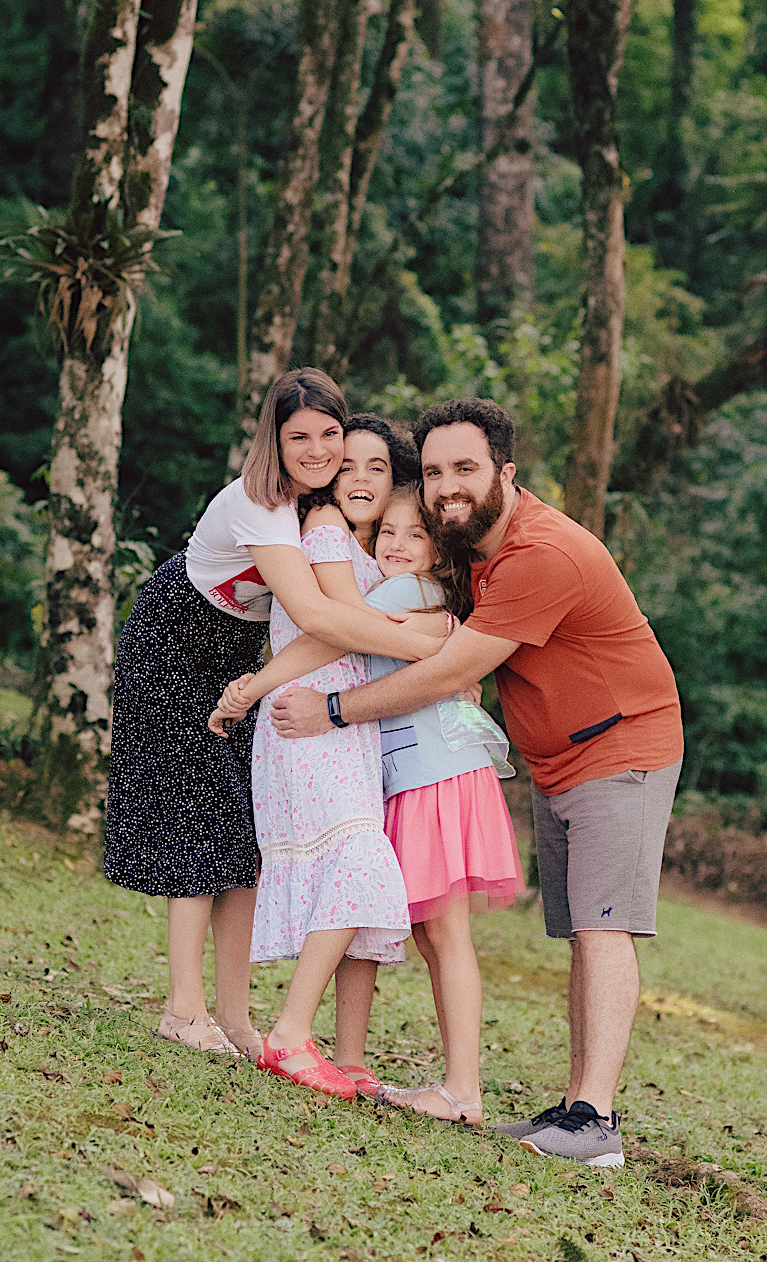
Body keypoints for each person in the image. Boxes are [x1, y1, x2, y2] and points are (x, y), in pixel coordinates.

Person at [270, 397, 684, 1167]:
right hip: (558, 759)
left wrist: (333, 708)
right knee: (576, 931)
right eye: (432, 472)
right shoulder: (468, 552)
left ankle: (595, 1124)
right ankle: (573, 1108)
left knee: (603, 926)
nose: (445, 485)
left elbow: (451, 669)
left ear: (505, 472)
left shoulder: (541, 552)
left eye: (464, 468)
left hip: (622, 747)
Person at [104, 370, 447, 1063]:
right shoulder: (262, 505)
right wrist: (432, 648)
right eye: (300, 437)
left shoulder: (320, 508)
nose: (317, 449)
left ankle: (233, 1017)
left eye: (330, 435)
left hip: (233, 650)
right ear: (275, 439)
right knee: (197, 821)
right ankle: (183, 1007)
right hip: (175, 638)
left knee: (241, 840)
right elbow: (321, 615)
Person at [217, 481, 522, 1125]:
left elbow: (331, 635)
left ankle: (463, 1089)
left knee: (443, 929)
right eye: (389, 533)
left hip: (434, 770)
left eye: (416, 535)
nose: (398, 544)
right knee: (405, 921)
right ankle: (362, 1061)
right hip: (410, 769)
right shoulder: (419, 598)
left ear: (440, 551)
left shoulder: (405, 593)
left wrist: (254, 686)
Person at [209, 417, 426, 1101]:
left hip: (348, 725)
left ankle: (349, 1054)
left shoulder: (377, 548)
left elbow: (364, 631)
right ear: (328, 479)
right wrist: (446, 647)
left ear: (395, 483)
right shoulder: (327, 528)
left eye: (377, 468)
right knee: (362, 859)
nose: (360, 478)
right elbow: (334, 632)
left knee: (353, 870)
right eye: (348, 465)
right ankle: (292, 1032)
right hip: (306, 718)